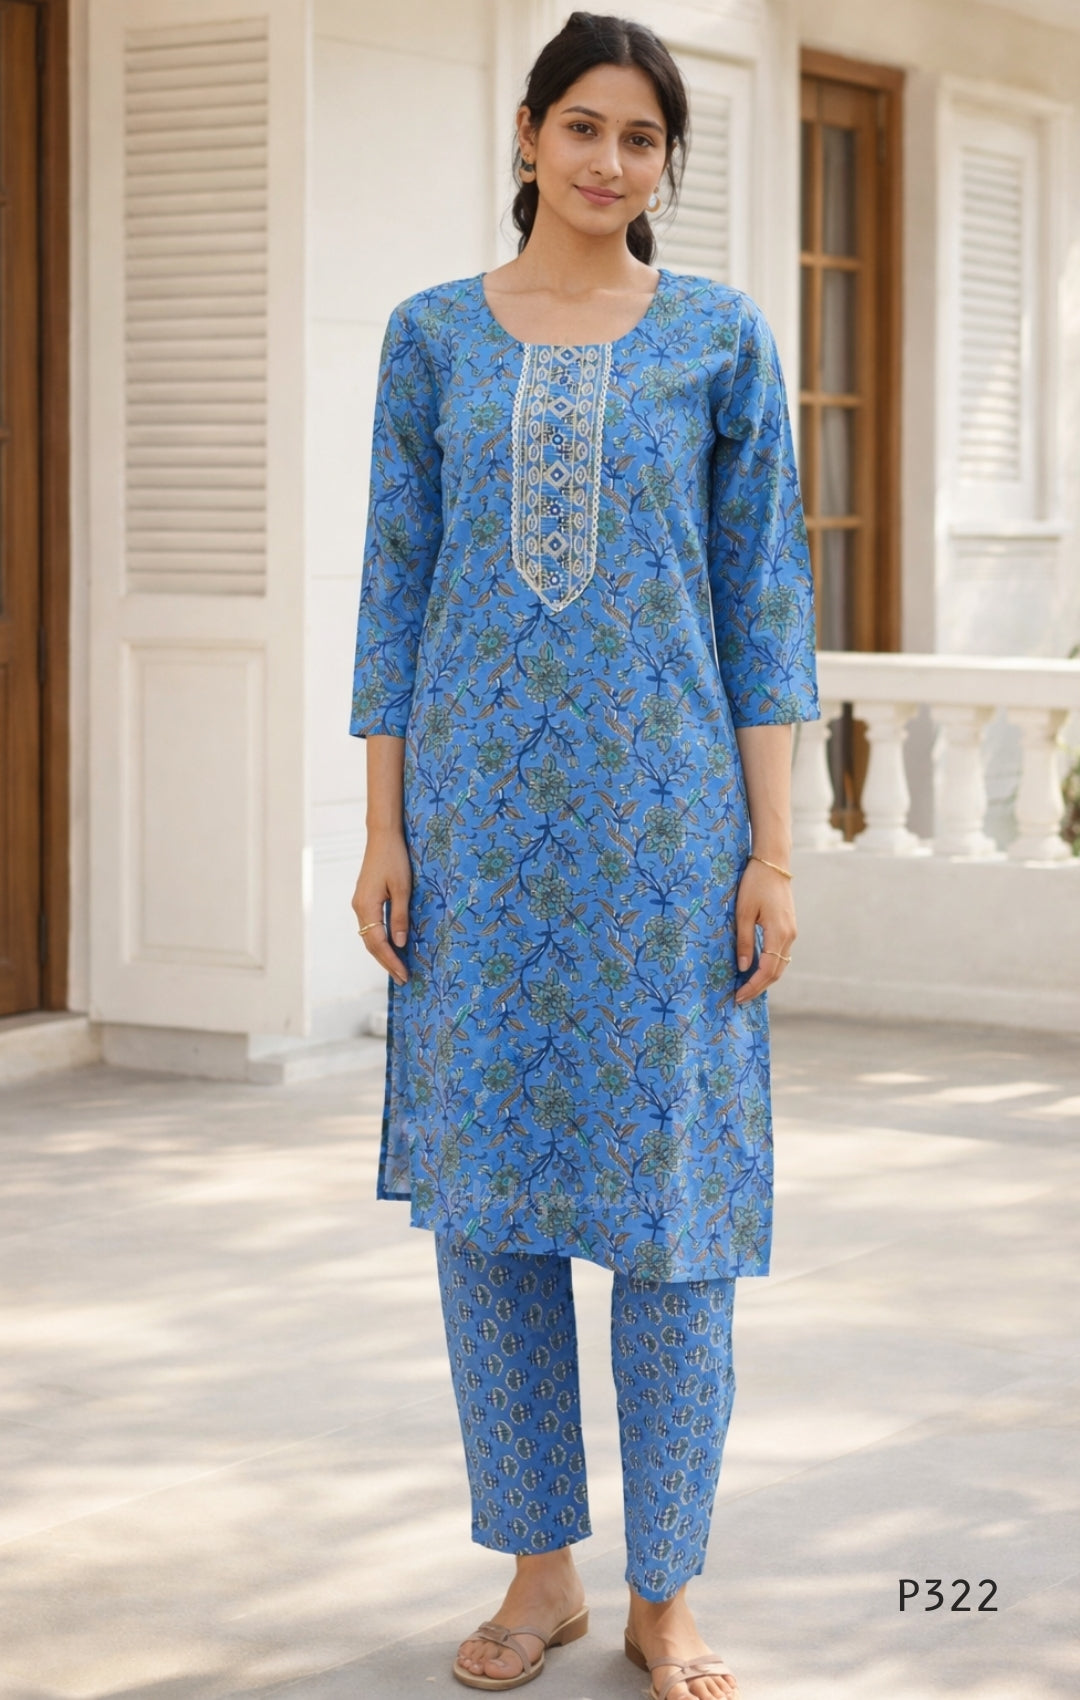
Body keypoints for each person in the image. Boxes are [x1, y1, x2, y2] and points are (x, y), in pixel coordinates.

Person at [349, 12, 819, 1697]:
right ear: (531, 133)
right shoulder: (430, 340)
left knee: (673, 1218)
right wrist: (386, 827)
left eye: (644, 139)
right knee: (492, 1217)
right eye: (586, 129)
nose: (612, 162)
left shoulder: (717, 340)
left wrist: (774, 855)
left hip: (670, 840)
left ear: (663, 164)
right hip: (476, 842)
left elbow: (767, 608)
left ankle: (666, 1585)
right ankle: (540, 1570)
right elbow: (394, 592)